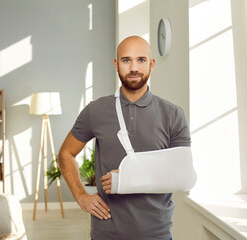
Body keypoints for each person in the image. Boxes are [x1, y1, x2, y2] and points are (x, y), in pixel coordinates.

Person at [58, 36, 191, 240]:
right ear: (116, 64)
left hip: (157, 234)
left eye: (141, 60)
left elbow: (182, 176)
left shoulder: (173, 114)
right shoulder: (96, 111)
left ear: (152, 64)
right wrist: (80, 196)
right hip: (107, 234)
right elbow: (66, 153)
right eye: (126, 60)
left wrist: (127, 179)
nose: (134, 67)